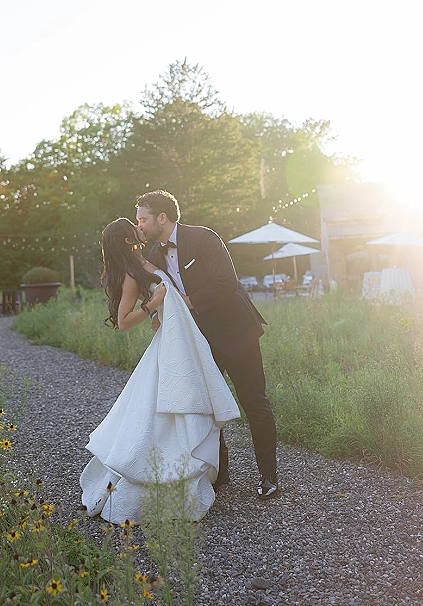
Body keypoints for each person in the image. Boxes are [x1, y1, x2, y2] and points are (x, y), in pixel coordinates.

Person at [79, 217, 240, 524]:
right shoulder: (130, 274)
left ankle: (194, 472)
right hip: (168, 345)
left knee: (180, 403)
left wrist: (159, 309)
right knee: (161, 409)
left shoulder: (147, 261)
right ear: (129, 240)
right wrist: (153, 306)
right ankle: (151, 479)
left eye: (141, 221)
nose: (141, 228)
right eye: (135, 225)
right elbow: (124, 322)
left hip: (177, 339)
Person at [135, 190, 279, 499]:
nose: (140, 226)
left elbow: (227, 282)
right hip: (198, 340)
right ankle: (220, 474)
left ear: (162, 218)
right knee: (208, 408)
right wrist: (159, 315)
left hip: (237, 332)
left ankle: (269, 476)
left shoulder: (204, 238)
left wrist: (187, 302)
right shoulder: (153, 257)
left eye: (143, 219)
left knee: (255, 402)